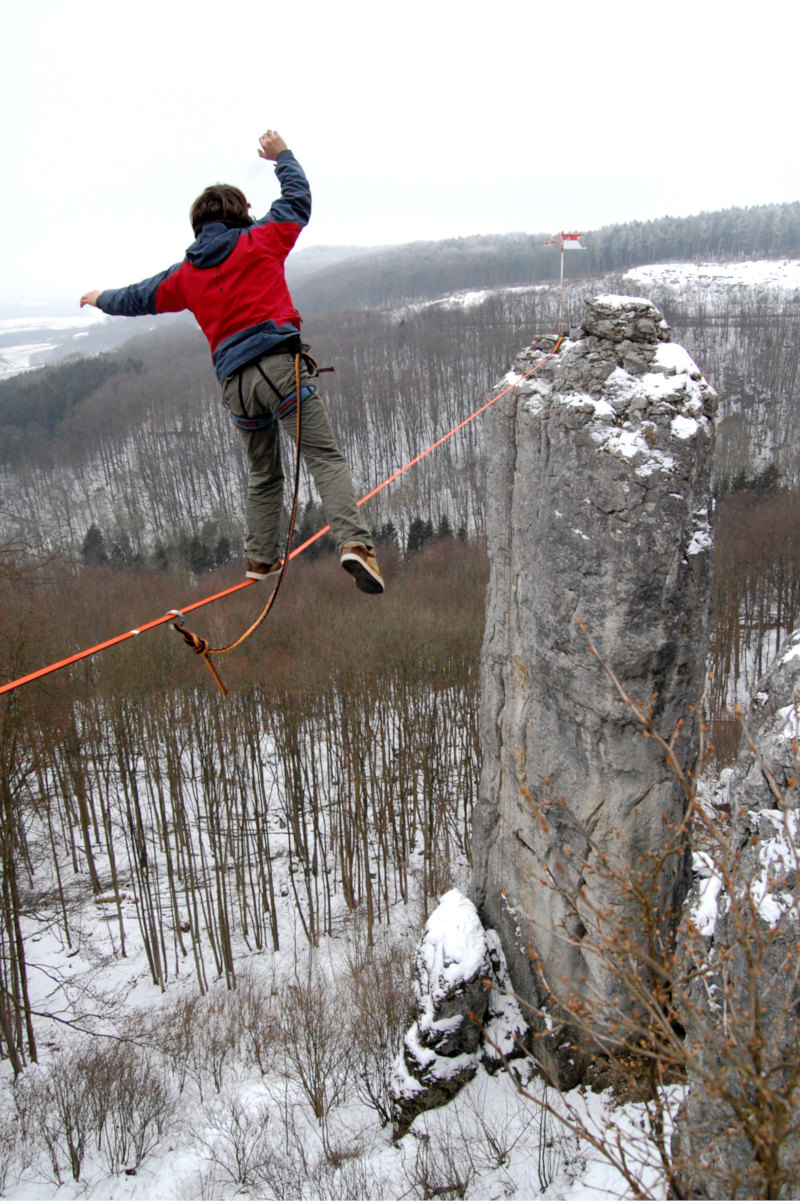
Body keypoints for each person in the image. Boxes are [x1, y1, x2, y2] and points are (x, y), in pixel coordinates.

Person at [80, 128, 384, 595]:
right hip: (280, 367)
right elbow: (297, 200)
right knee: (322, 456)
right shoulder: (260, 240)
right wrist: (282, 155)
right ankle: (355, 546)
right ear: (242, 215)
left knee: (264, 474)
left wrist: (100, 298)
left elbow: (136, 297)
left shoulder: (185, 276)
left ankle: (260, 560)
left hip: (236, 388)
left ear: (197, 227)